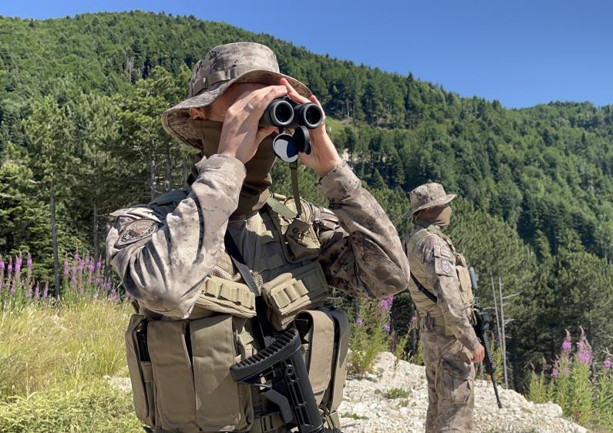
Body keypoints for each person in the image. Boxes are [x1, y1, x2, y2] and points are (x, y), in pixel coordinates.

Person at [106, 42, 409, 433]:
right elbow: (164, 291)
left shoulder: (303, 224)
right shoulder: (148, 222)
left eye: (272, 108)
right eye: (245, 106)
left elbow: (388, 276)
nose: (263, 123)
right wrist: (228, 162)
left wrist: (334, 171)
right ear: (200, 115)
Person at [403, 182, 484, 433]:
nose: (449, 209)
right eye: (445, 205)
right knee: (455, 408)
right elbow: (450, 301)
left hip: (432, 333)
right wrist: (472, 341)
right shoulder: (434, 246)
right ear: (433, 209)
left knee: (438, 405)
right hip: (449, 337)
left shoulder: (414, 241)